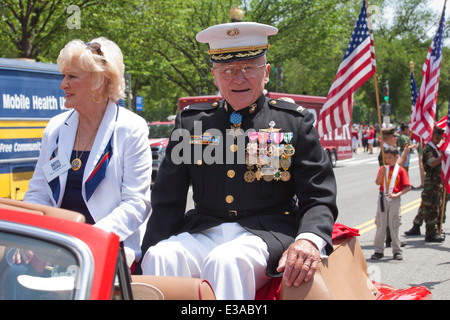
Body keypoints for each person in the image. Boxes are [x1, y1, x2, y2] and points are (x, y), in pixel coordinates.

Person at [140, 22, 338, 300]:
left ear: (266, 73)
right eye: (228, 70)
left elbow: (318, 195)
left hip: (266, 233)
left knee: (226, 261)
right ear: (215, 76)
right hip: (203, 229)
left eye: (249, 68)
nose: (239, 78)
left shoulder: (292, 121)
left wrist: (308, 239)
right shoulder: (192, 122)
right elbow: (167, 199)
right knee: (161, 256)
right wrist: (144, 254)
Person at [23, 37, 152, 263]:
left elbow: (136, 205)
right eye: (64, 76)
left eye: (72, 77)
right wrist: (34, 237)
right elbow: (38, 192)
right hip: (55, 244)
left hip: (105, 249)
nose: (63, 84)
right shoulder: (55, 128)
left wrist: (86, 240)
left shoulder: (131, 129)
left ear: (99, 81)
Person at [405, 127, 446, 242]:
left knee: (435, 207)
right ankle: (430, 233)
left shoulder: (436, 148)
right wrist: (443, 156)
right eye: (437, 137)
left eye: (440, 138)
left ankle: (432, 229)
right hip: (431, 182)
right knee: (430, 207)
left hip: (437, 183)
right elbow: (432, 163)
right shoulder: (429, 149)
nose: (438, 140)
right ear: (432, 136)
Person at [371, 146, 411, 261]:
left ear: (396, 157)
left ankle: (397, 250)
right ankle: (378, 250)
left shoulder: (400, 170)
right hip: (383, 197)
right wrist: (382, 173)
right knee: (381, 224)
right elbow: (378, 183)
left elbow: (407, 187)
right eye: (386, 158)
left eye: (390, 157)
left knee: (394, 224)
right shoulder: (384, 168)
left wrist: (397, 195)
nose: (388, 160)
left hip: (394, 199)